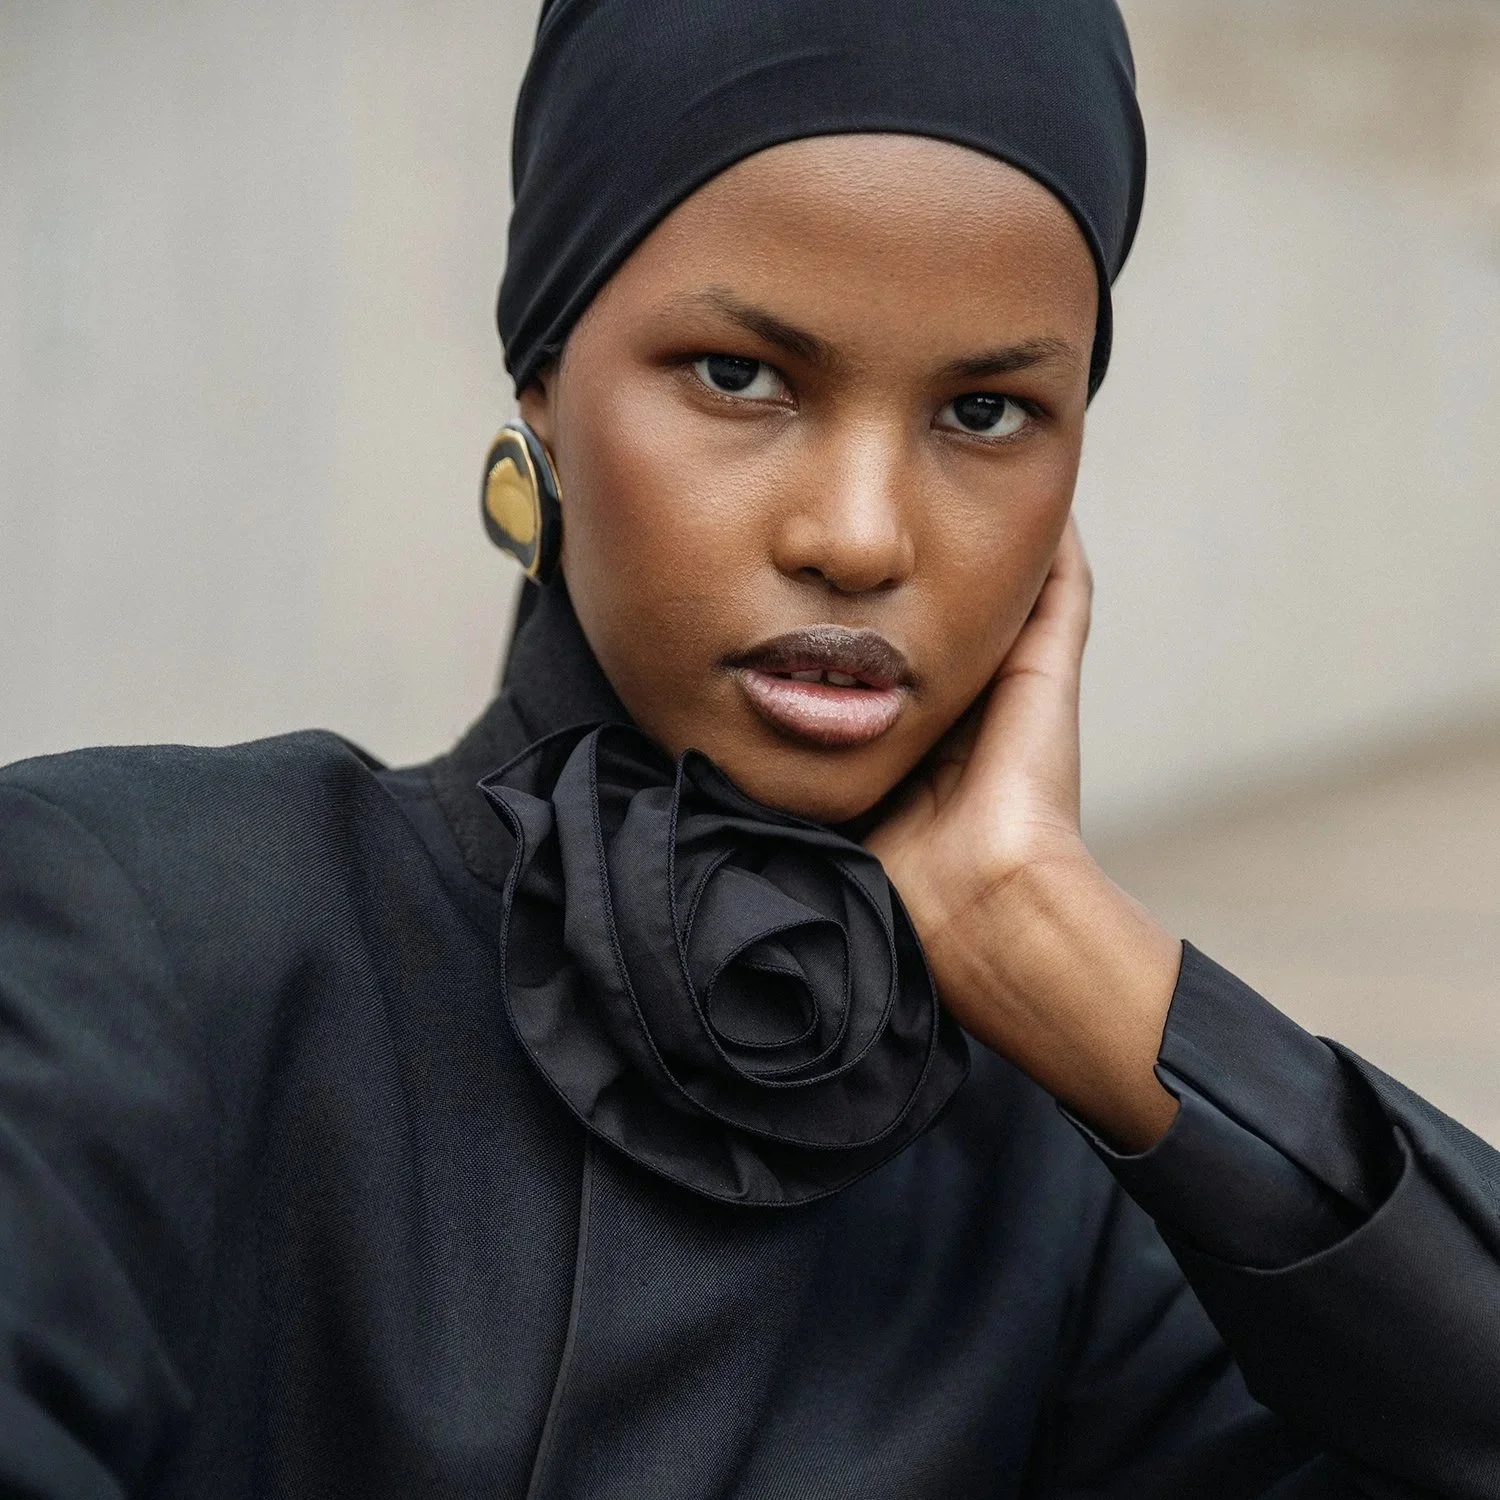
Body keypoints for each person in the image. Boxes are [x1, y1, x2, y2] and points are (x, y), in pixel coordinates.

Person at [2, 0, 1497, 1495]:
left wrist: (1058, 943)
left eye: (986, 411)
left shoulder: (1059, 1199)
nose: (860, 536)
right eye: (739, 376)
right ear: (542, 383)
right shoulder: (137, 938)